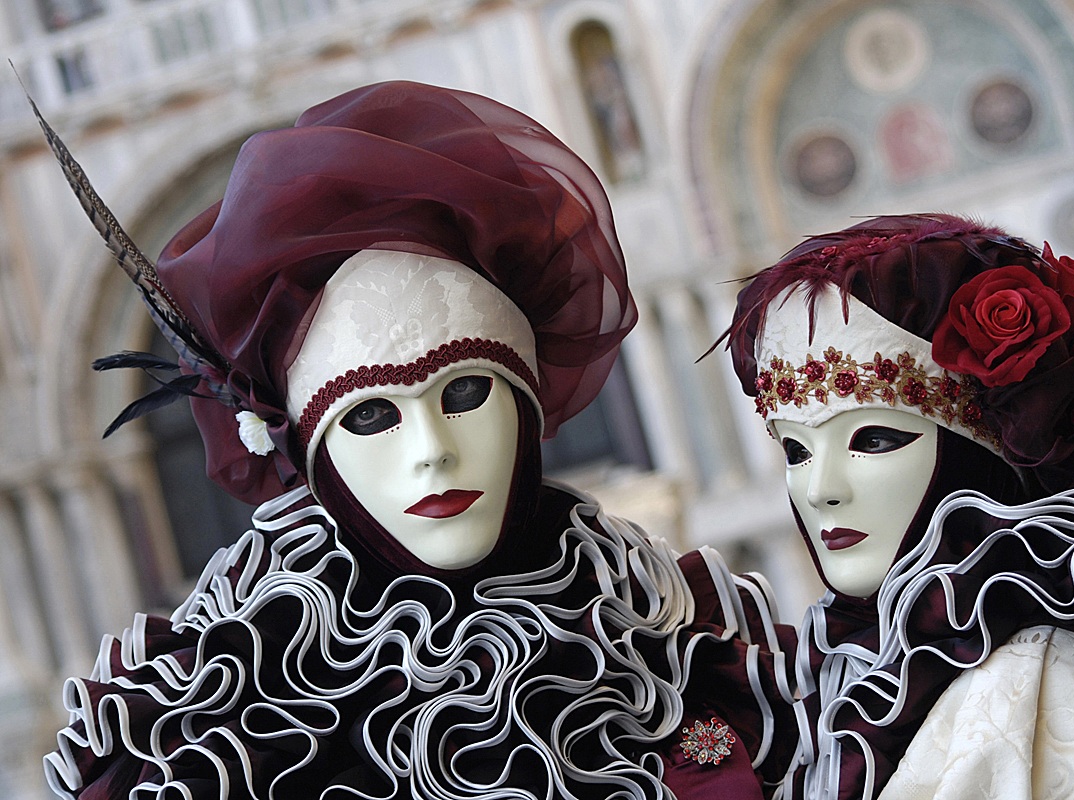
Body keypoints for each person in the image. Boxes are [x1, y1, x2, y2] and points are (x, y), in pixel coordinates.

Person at [39, 82, 802, 799]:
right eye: (369, 414)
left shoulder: (672, 631)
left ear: (527, 401)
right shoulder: (220, 717)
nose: (432, 448)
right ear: (312, 450)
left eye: (466, 392)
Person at [724, 214, 1074, 799]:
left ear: (978, 454)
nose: (821, 488)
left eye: (873, 440)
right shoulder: (855, 674)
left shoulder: (1041, 687)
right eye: (795, 450)